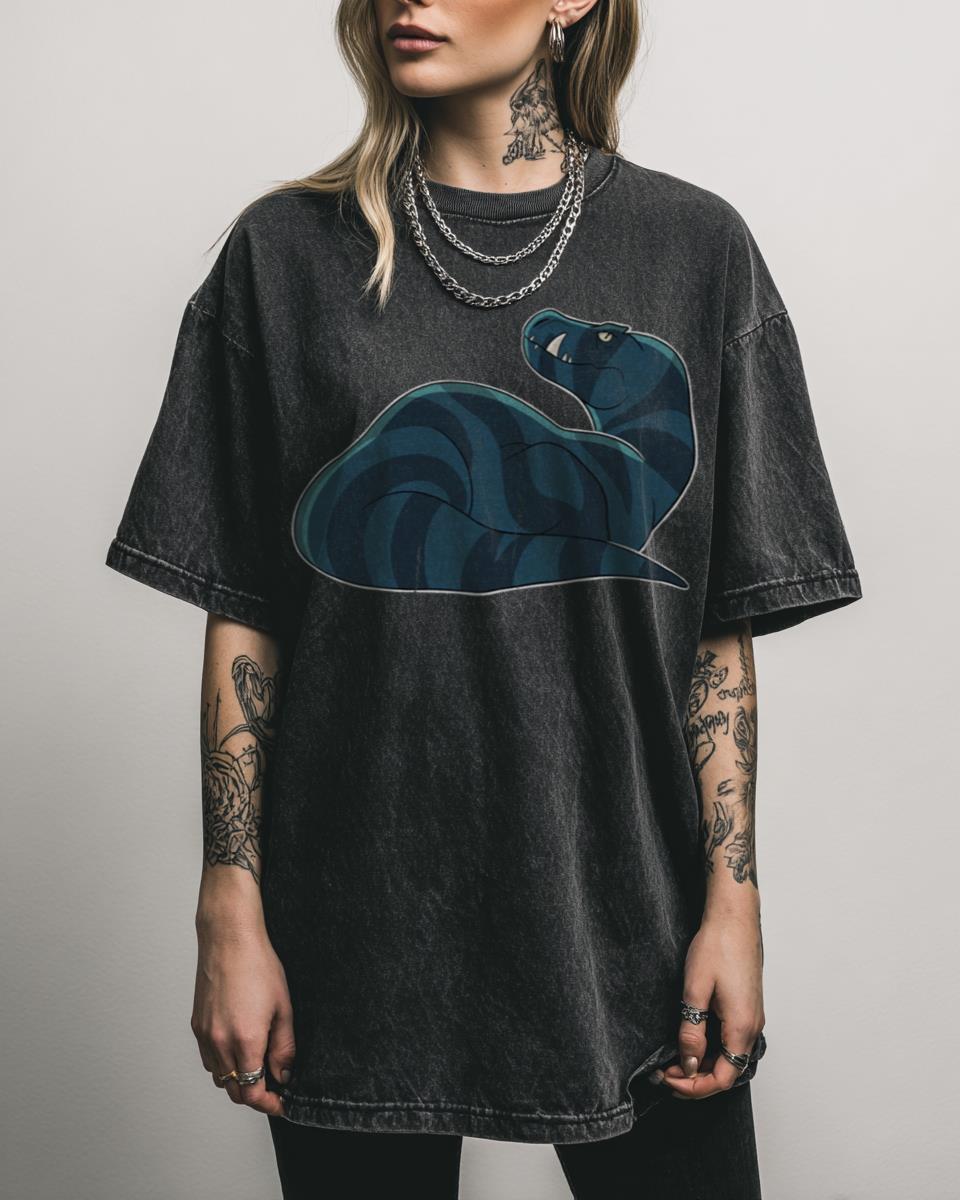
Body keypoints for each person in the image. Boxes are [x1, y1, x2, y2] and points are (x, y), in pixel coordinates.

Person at [104, 1, 863, 1196]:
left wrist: (734, 902)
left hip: (629, 912)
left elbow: (714, 634)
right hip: (354, 920)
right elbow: (246, 610)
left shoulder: (695, 249)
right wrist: (229, 905)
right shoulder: (284, 255)